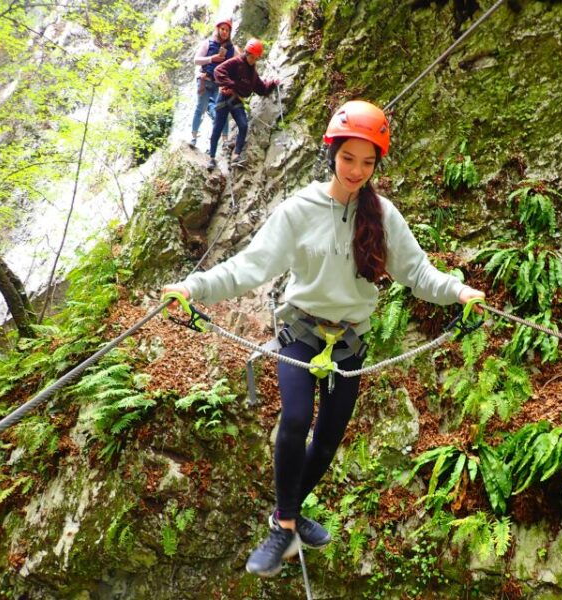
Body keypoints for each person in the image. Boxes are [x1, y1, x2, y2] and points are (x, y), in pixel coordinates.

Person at [161, 100, 485, 577]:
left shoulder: (383, 216)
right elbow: (251, 266)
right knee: (294, 420)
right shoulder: (300, 210)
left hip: (351, 341)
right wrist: (194, 287)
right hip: (301, 330)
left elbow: (416, 273)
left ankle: (285, 513)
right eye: (348, 157)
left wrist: (459, 291)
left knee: (329, 439)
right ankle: (285, 526)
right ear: (330, 153)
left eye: (368, 162)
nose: (357, 170)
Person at [206, 38, 279, 171]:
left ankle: (236, 155)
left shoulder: (252, 73)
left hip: (236, 101)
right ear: (247, 53)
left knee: (244, 125)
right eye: (252, 57)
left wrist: (273, 83)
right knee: (218, 127)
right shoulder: (236, 62)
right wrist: (231, 84)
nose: (253, 60)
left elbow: (261, 88)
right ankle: (211, 158)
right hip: (224, 98)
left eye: (255, 58)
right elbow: (218, 71)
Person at [190, 19, 235, 150]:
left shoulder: (230, 48)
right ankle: (193, 138)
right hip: (205, 81)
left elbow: (236, 64)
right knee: (200, 109)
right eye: (223, 29)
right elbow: (196, 60)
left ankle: (225, 139)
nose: (225, 32)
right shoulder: (208, 43)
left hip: (219, 84)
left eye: (227, 30)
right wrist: (211, 59)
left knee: (223, 110)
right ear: (218, 29)